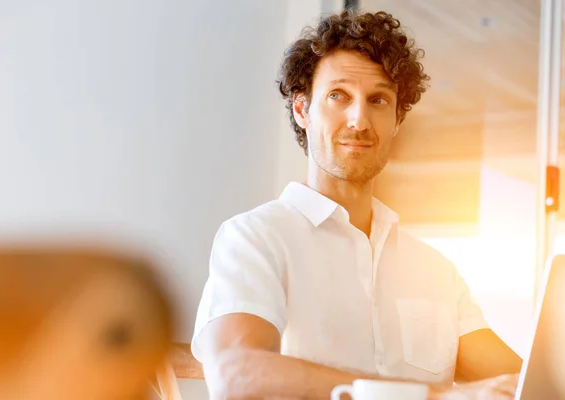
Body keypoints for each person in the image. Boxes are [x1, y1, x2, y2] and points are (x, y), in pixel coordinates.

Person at [191, 10, 523, 399]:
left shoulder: (437, 271)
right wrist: (432, 395)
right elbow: (238, 374)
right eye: (338, 96)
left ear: (397, 119)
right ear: (302, 110)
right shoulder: (255, 238)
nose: (359, 120)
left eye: (378, 100)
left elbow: (529, 382)